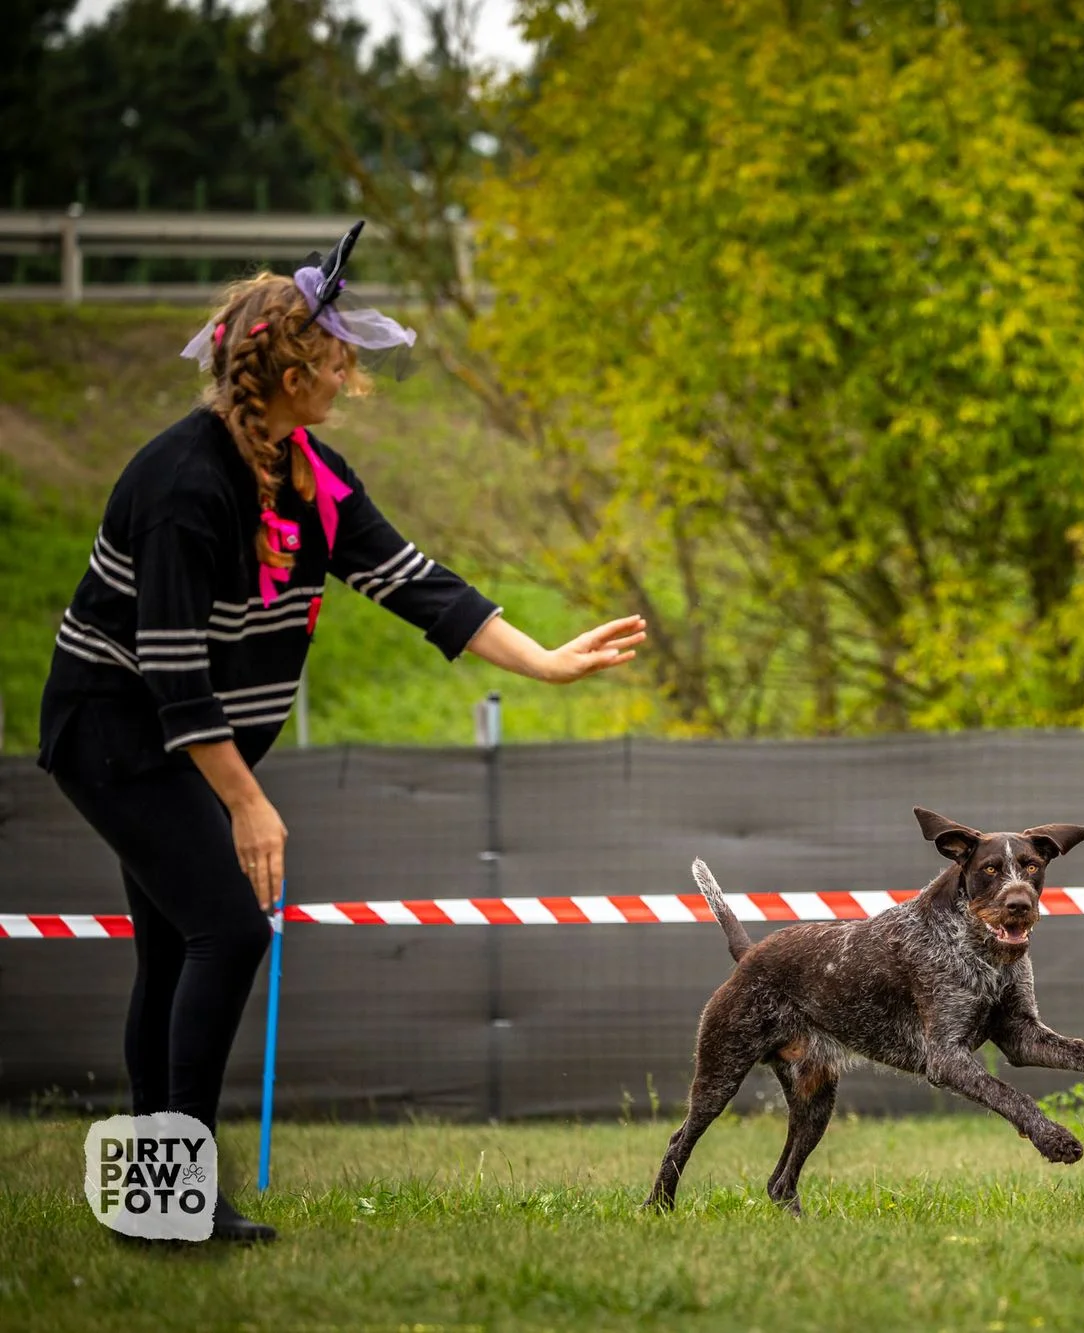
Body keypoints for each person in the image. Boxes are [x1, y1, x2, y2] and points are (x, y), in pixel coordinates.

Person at [36, 223, 645, 1242]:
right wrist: (247, 802)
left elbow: (412, 581)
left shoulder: (309, 471)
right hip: (115, 735)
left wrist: (543, 659)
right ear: (286, 375)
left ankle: (154, 1200)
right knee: (228, 928)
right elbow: (174, 674)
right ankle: (181, 1199)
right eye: (334, 362)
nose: (350, 376)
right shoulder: (183, 485)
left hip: (181, 736)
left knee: (176, 944)